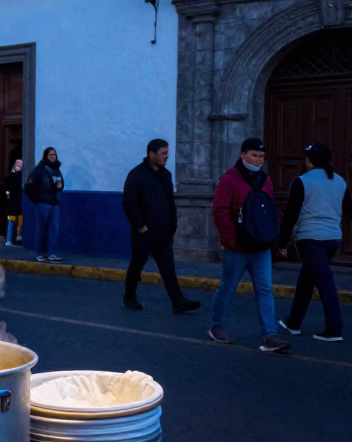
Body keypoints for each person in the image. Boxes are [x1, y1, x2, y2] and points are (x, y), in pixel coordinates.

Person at [208, 137, 288, 353]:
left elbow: (268, 211)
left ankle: (269, 335)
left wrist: (273, 238)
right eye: (255, 155)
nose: (259, 160)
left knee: (264, 290)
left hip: (261, 247)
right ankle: (217, 326)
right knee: (228, 287)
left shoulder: (265, 180)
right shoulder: (229, 180)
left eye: (262, 156)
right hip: (237, 247)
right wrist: (229, 240)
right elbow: (220, 211)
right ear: (243, 155)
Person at [277, 142, 350, 343]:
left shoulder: (303, 181)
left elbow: (291, 214)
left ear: (309, 161)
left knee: (324, 281)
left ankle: (334, 328)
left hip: (310, 239)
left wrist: (281, 242)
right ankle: (294, 322)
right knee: (307, 278)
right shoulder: (340, 182)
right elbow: (348, 210)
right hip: (333, 239)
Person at [121, 139, 201, 314]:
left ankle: (177, 301)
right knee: (137, 264)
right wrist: (140, 226)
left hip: (163, 232)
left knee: (168, 267)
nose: (166, 157)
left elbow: (170, 202)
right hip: (144, 232)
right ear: (152, 154)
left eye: (167, 153)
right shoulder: (136, 175)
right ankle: (129, 297)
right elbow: (129, 203)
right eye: (163, 153)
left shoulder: (166, 175)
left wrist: (173, 224)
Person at [26, 147, 64, 262]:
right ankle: (40, 254)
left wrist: (61, 186)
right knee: (42, 229)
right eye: (51, 155)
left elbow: (61, 183)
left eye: (55, 155)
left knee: (54, 230)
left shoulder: (57, 169)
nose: (53, 157)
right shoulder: (39, 170)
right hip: (42, 204)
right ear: (46, 156)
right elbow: (28, 186)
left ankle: (51, 254)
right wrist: (36, 200)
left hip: (55, 204)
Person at [3, 159, 24, 246]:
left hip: (20, 202)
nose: (19, 166)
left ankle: (18, 240)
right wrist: (8, 197)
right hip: (12, 203)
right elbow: (6, 189)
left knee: (20, 222)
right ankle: (9, 240)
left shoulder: (21, 176)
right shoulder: (9, 176)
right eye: (18, 164)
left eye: (20, 165)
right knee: (11, 222)